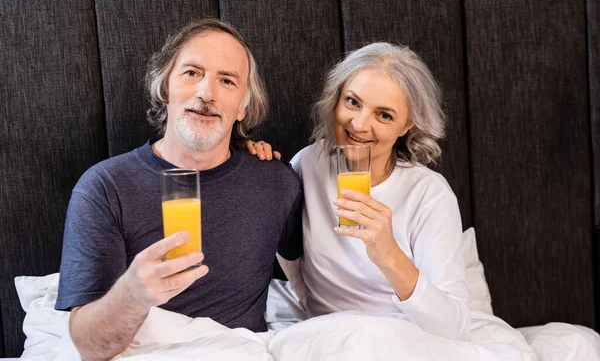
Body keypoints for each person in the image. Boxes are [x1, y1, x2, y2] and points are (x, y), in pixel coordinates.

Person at [56, 19, 303, 360]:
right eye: (191, 73)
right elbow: (89, 346)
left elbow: (302, 269)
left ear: (242, 108)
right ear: (165, 88)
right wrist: (132, 294)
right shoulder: (105, 187)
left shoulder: (276, 182)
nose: (206, 93)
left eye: (227, 80)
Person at [248, 42, 470, 340]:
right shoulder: (308, 163)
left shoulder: (429, 194)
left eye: (385, 115)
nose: (360, 124)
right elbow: (284, 241)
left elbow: (454, 329)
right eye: (353, 102)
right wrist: (253, 164)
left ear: (407, 125)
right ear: (336, 98)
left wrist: (389, 254)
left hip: (401, 340)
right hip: (323, 336)